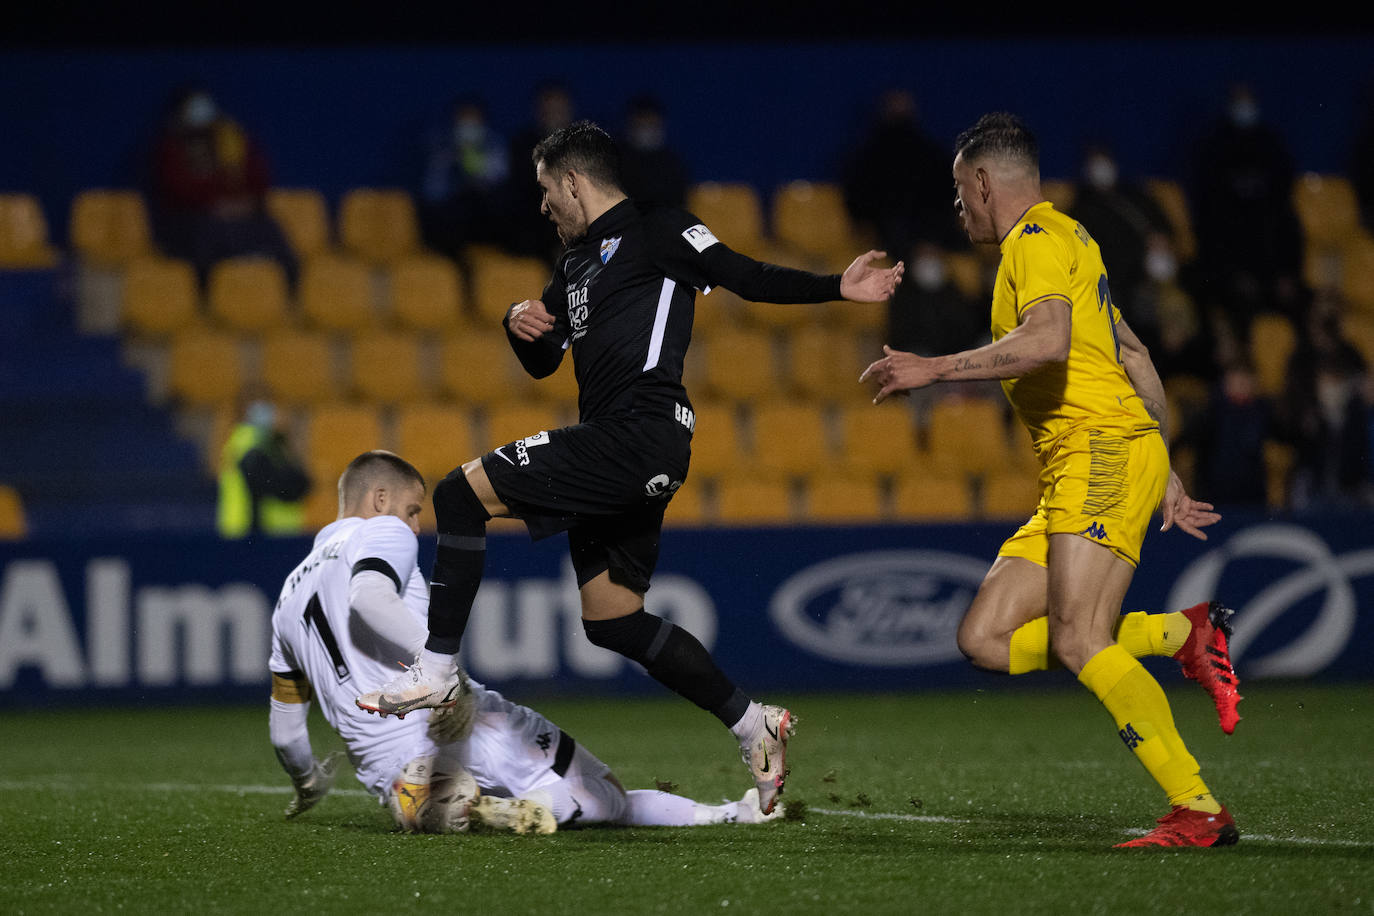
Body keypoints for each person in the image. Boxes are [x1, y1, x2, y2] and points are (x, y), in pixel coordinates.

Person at [355, 121, 905, 817]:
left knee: (457, 493)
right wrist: (517, 324)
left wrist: (837, 287)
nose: (543, 204)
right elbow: (543, 359)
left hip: (639, 435)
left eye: (546, 189)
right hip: (619, 445)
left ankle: (434, 673)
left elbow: (745, 274)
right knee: (612, 617)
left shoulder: (660, 230)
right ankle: (751, 722)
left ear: (574, 182)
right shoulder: (574, 268)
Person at [860, 112, 1242, 848]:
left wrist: (934, 368)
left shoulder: (1034, 242)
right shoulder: (1072, 239)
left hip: (1096, 450)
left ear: (980, 181)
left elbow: (1048, 342)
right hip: (1090, 458)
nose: (956, 207)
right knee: (985, 637)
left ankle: (1197, 808)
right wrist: (1160, 464)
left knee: (1075, 637)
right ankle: (1181, 633)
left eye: (957, 191)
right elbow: (1128, 351)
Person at [271, 451, 783, 834]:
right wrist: (444, 676)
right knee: (606, 796)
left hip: (383, 767)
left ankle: (446, 797)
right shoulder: (380, 531)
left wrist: (307, 782)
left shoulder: (287, 600)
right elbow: (368, 598)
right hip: (454, 723)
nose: (416, 524)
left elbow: (286, 733)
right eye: (411, 509)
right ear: (380, 500)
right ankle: (714, 814)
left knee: (480, 790)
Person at [1189, 82, 1306, 346]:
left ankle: (1304, 371)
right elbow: (1211, 232)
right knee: (1229, 304)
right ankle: (1244, 376)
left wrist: (1287, 274)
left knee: (1302, 301)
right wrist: (1234, 275)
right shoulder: (1215, 149)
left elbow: (1288, 228)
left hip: (1274, 270)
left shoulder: (1271, 147)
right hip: (1231, 273)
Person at [148, 84, 298, 287]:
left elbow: (257, 178)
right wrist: (214, 203)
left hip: (240, 213)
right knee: (207, 237)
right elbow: (177, 188)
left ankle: (287, 293)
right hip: (193, 218)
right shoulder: (172, 146)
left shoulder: (230, 138)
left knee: (270, 228)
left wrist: (243, 203)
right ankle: (208, 296)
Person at [841, 88, 964, 256]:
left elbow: (947, 199)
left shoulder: (931, 156)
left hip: (936, 236)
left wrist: (932, 239)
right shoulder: (868, 160)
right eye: (895, 109)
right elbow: (862, 208)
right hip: (891, 240)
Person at [417, 95, 512, 260]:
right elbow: (433, 192)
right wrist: (452, 161)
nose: (468, 125)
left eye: (473, 119)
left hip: (487, 220)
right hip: (453, 223)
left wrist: (479, 177)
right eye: (463, 119)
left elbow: (500, 180)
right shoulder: (441, 149)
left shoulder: (495, 145)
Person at [217, 386, 311, 539]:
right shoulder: (252, 442)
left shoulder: (264, 441)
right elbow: (288, 488)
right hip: (253, 531)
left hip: (254, 530)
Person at [616, 95, 690, 210]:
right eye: (642, 123)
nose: (646, 128)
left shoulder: (672, 165)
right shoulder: (615, 161)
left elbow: (680, 205)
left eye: (651, 123)